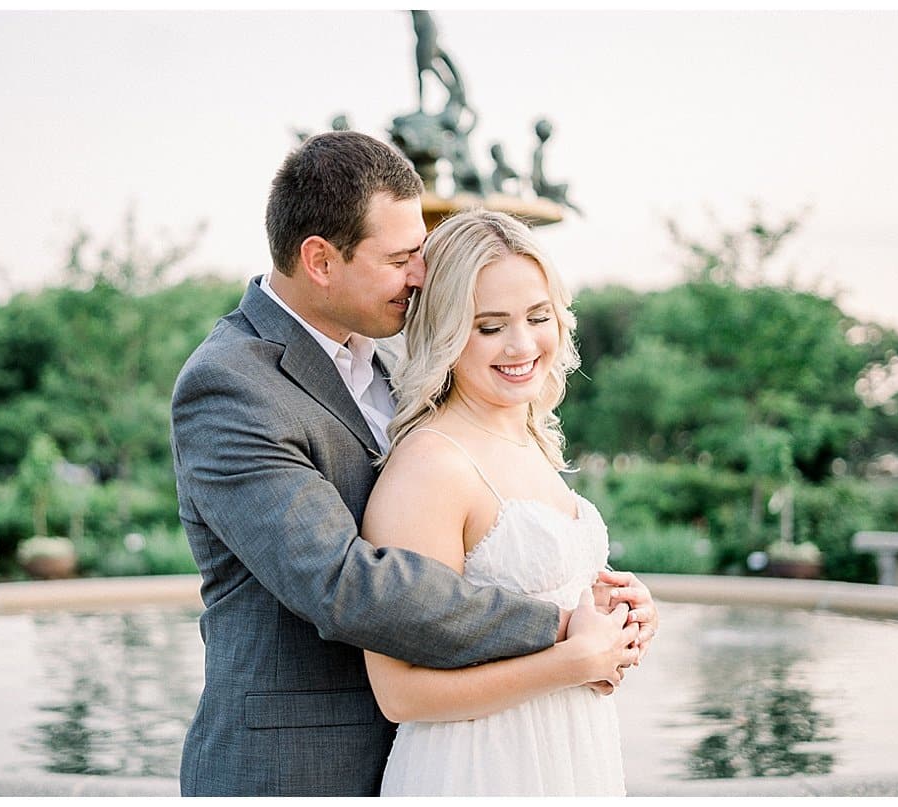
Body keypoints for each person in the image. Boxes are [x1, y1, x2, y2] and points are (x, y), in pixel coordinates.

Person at [169, 131, 648, 796]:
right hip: (299, 769)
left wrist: (599, 600)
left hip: (450, 751)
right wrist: (560, 626)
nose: (420, 275)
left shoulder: (396, 360)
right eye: (399, 258)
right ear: (320, 261)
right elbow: (344, 584)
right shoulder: (230, 386)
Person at [362, 209, 652, 795]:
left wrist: (620, 609)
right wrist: (574, 663)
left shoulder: (530, 437)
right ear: (445, 331)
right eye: (489, 326)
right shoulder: (430, 466)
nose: (521, 344)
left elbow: (536, 594)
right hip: (479, 768)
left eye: (538, 316)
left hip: (571, 753)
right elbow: (400, 693)